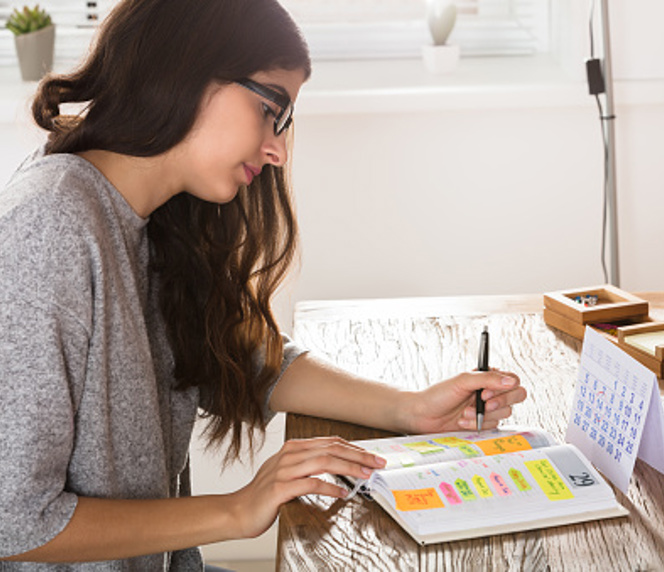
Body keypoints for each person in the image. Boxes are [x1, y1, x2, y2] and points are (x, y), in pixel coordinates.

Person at [0, 0, 527, 569]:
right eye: (268, 107)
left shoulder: (157, 217)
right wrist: (236, 509)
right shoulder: (51, 225)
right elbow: (16, 520)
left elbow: (249, 358)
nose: (276, 150)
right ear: (186, 67)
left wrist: (410, 410)